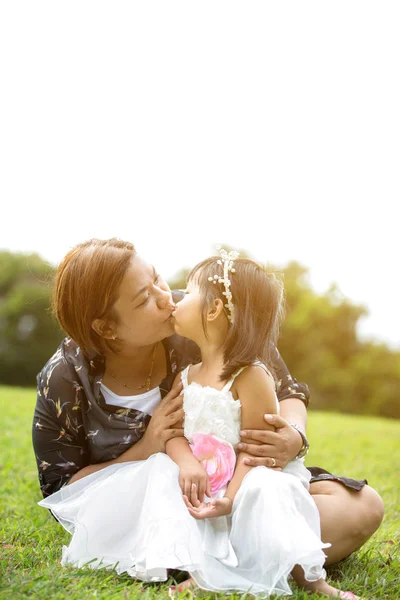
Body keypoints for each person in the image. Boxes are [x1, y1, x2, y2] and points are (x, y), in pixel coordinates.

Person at [33, 238, 383, 570]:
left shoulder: (200, 316)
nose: (167, 297)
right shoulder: (64, 379)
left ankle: (217, 555)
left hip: (239, 485)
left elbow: (285, 389)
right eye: (144, 300)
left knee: (363, 506)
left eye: (157, 277)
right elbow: (64, 494)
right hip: (159, 504)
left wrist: (293, 435)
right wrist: (146, 448)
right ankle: (249, 553)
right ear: (106, 328)